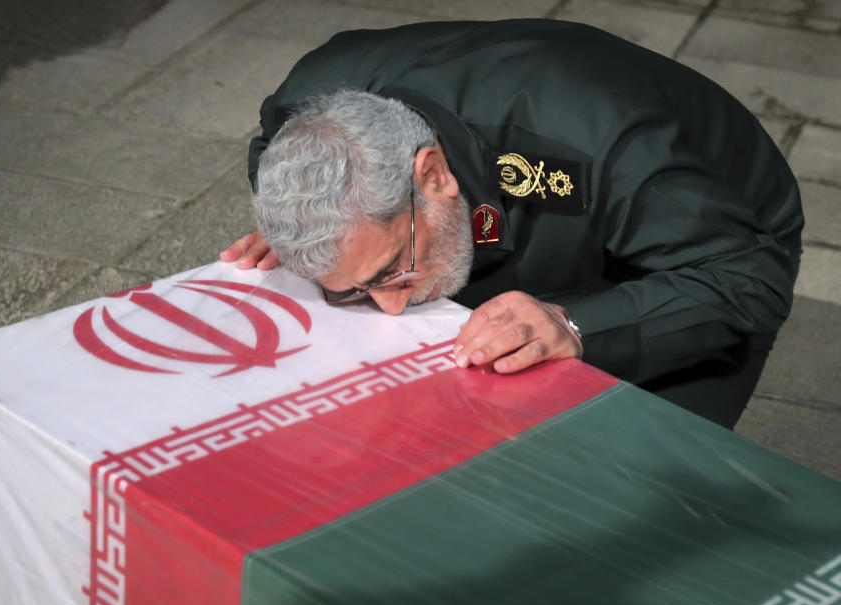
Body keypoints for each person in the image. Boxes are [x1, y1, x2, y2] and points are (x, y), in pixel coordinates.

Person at [220, 19, 803, 429]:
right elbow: (269, 150)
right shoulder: (305, 104)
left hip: (708, 237)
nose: (390, 306)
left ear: (432, 177)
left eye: (391, 271)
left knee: (643, 488)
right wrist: (313, 241)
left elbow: (751, 277)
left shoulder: (608, 149)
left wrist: (574, 324)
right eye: (358, 286)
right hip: (501, 195)